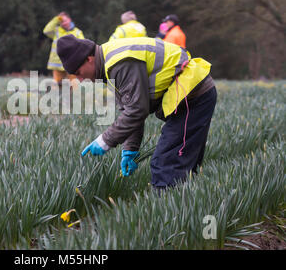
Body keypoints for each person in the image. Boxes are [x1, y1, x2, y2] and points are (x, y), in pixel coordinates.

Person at [56, 34, 216, 190]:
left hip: (193, 97)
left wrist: (105, 140)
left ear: (89, 59)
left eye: (78, 73)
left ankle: (168, 213)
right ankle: (185, 205)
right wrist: (130, 149)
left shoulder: (119, 64)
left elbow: (137, 110)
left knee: (165, 165)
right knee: (180, 166)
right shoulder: (108, 63)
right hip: (190, 96)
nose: (80, 80)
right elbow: (130, 109)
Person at [43, 12, 84, 87]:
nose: (63, 23)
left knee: (74, 85)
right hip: (58, 64)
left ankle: (74, 98)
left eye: (65, 20)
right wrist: (56, 19)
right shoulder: (56, 31)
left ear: (70, 20)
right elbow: (46, 31)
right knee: (55, 85)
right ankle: (56, 98)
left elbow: (83, 45)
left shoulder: (77, 32)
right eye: (61, 22)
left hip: (72, 63)